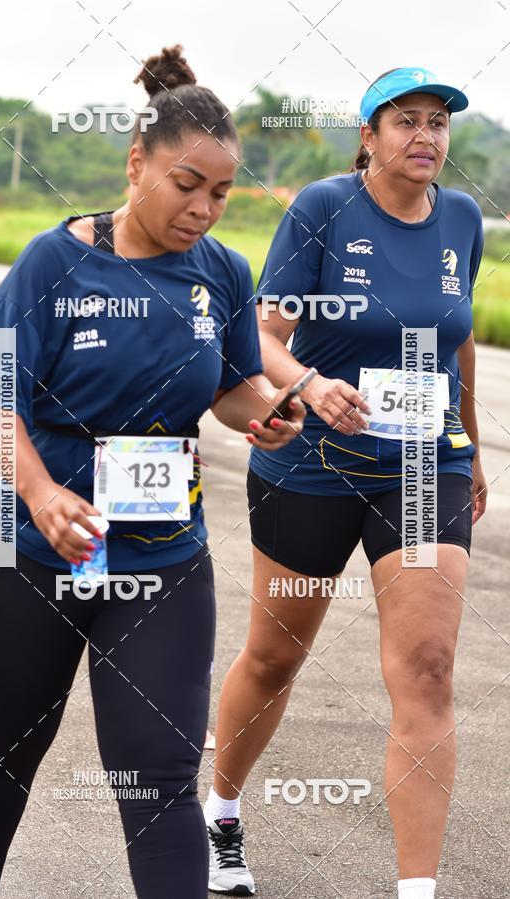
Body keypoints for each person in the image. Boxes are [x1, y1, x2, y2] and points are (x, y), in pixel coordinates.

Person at [0, 44, 305, 899]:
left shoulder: (222, 271)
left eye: (221, 191)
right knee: (5, 753)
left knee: (157, 776)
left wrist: (265, 413)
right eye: (188, 184)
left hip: (163, 556)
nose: (206, 209)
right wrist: (39, 490)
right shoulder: (52, 263)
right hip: (29, 548)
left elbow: (232, 382)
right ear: (136, 162)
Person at [205, 67, 486, 899]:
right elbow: (264, 331)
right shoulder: (323, 209)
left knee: (429, 666)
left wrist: (472, 441)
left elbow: (458, 337)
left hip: (426, 466)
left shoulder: (463, 218)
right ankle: (221, 808)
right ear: (369, 137)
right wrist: (308, 385)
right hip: (312, 468)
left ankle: (417, 889)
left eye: (437, 122)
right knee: (274, 656)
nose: (425, 136)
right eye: (406, 121)